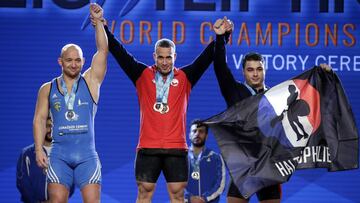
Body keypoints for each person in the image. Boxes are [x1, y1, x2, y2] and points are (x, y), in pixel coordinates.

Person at [97, 3, 232, 201]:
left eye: (169, 57)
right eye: (161, 57)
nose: (165, 62)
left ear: (175, 56)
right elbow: (118, 51)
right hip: (148, 147)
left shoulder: (186, 76)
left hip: (176, 148)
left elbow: (207, 57)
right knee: (144, 193)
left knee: (177, 196)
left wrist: (222, 36)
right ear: (155, 57)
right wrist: (102, 25)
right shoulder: (141, 74)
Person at [213, 19, 332, 203]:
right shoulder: (234, 91)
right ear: (243, 72)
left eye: (259, 69)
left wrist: (323, 76)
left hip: (269, 166)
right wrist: (220, 38)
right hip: (244, 167)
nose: (255, 73)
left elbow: (308, 94)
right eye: (250, 69)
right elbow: (220, 67)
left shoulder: (276, 96)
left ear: (265, 71)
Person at [32, 3, 108, 202]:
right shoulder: (47, 88)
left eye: (78, 60)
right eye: (69, 60)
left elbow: (102, 51)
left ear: (83, 61)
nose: (74, 64)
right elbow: (39, 120)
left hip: (87, 157)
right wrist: (39, 149)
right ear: (60, 62)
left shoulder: (91, 82)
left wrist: (99, 22)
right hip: (59, 156)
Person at [16, 117, 74, 203]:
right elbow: (23, 183)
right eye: (47, 126)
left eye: (53, 126)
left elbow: (71, 183)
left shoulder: (66, 153)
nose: (50, 130)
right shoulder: (27, 154)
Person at [185, 119, 226, 203]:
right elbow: (174, 183)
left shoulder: (216, 158)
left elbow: (220, 185)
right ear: (189, 135)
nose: (197, 134)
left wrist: (205, 198)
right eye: (194, 131)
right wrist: (189, 198)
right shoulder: (180, 158)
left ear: (206, 136)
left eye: (201, 131)